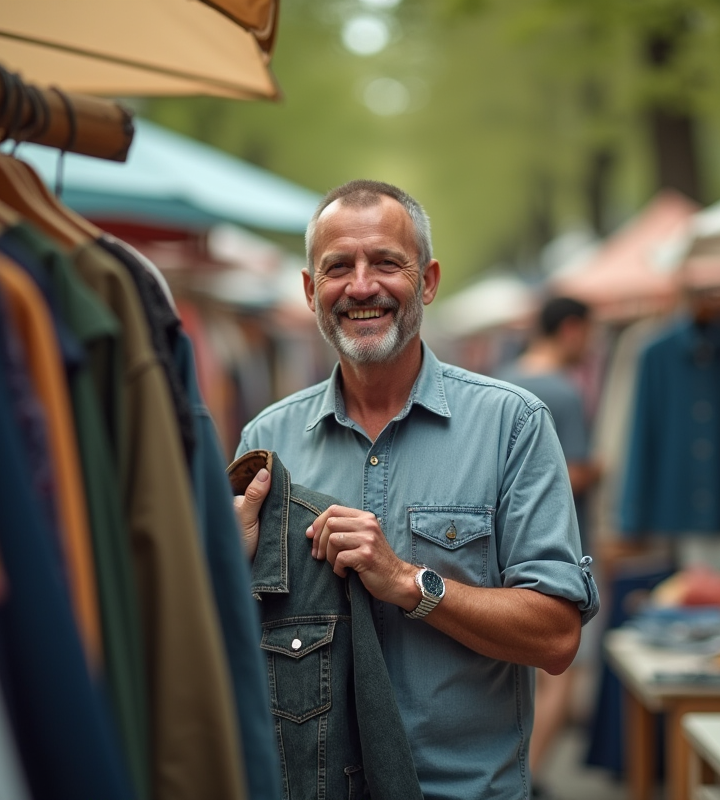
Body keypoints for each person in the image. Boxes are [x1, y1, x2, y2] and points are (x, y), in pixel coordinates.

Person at [233, 180, 599, 800]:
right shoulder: (267, 440)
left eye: (385, 263)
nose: (361, 286)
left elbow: (558, 636)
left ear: (427, 281)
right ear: (308, 291)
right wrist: (231, 570)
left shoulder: (513, 425)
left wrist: (409, 583)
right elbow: (231, 646)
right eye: (338, 267)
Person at [497, 296, 602, 793]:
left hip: (499, 548)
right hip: (561, 543)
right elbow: (573, 472)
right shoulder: (561, 390)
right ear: (572, 330)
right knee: (562, 669)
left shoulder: (497, 380)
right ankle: (529, 775)